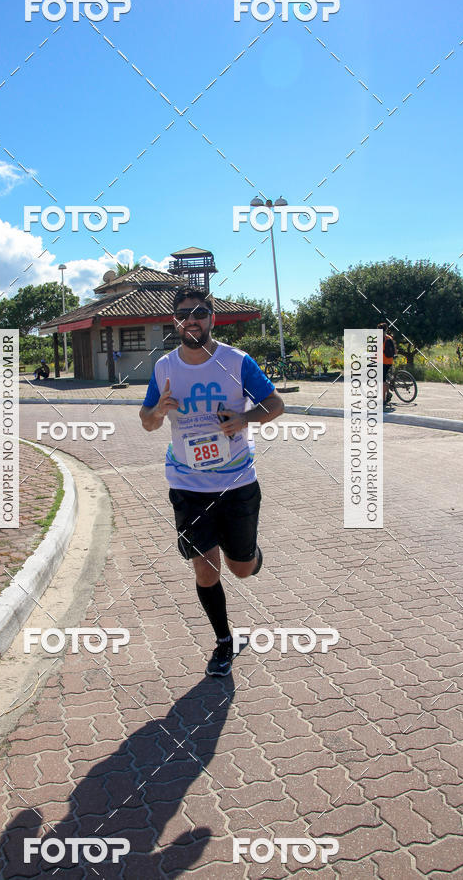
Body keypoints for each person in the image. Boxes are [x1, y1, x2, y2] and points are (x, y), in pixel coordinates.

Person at [140, 286, 284, 676]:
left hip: (237, 483)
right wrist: (158, 410)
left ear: (212, 319)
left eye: (200, 313)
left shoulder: (236, 362)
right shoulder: (165, 367)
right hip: (187, 486)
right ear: (176, 320)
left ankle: (249, 555)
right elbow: (147, 422)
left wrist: (245, 419)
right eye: (185, 313)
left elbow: (275, 405)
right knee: (206, 569)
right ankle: (224, 640)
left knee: (239, 569)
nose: (193, 319)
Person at [379, 322, 396, 405]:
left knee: (382, 381)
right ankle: (387, 393)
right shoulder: (389, 338)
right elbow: (394, 349)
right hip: (389, 361)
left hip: (382, 362)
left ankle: (383, 400)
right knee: (384, 379)